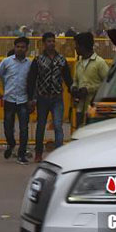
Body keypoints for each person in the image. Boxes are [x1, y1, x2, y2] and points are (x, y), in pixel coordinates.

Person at [27, 32, 73, 162]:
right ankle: (38, 154)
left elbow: (68, 78)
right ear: (44, 43)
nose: (51, 43)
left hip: (57, 98)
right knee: (41, 126)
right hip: (42, 98)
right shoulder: (38, 60)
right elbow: (31, 80)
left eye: (53, 41)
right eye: (48, 41)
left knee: (58, 126)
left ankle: (59, 156)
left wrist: (72, 91)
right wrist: (31, 98)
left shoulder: (61, 60)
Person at [0, 37, 32, 165]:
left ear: (27, 49)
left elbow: (34, 82)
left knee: (24, 128)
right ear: (14, 48)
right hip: (9, 99)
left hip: (24, 100)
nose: (20, 49)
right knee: (8, 127)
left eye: (23, 47)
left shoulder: (30, 63)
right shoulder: (6, 62)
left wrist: (33, 99)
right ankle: (11, 143)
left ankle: (21, 154)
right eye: (18, 46)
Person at [71, 32, 109, 128]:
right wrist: (74, 87)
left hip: (94, 109)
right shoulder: (78, 64)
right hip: (80, 109)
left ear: (83, 46)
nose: (75, 48)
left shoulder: (100, 63)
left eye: (77, 45)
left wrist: (89, 90)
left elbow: (108, 84)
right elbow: (75, 81)